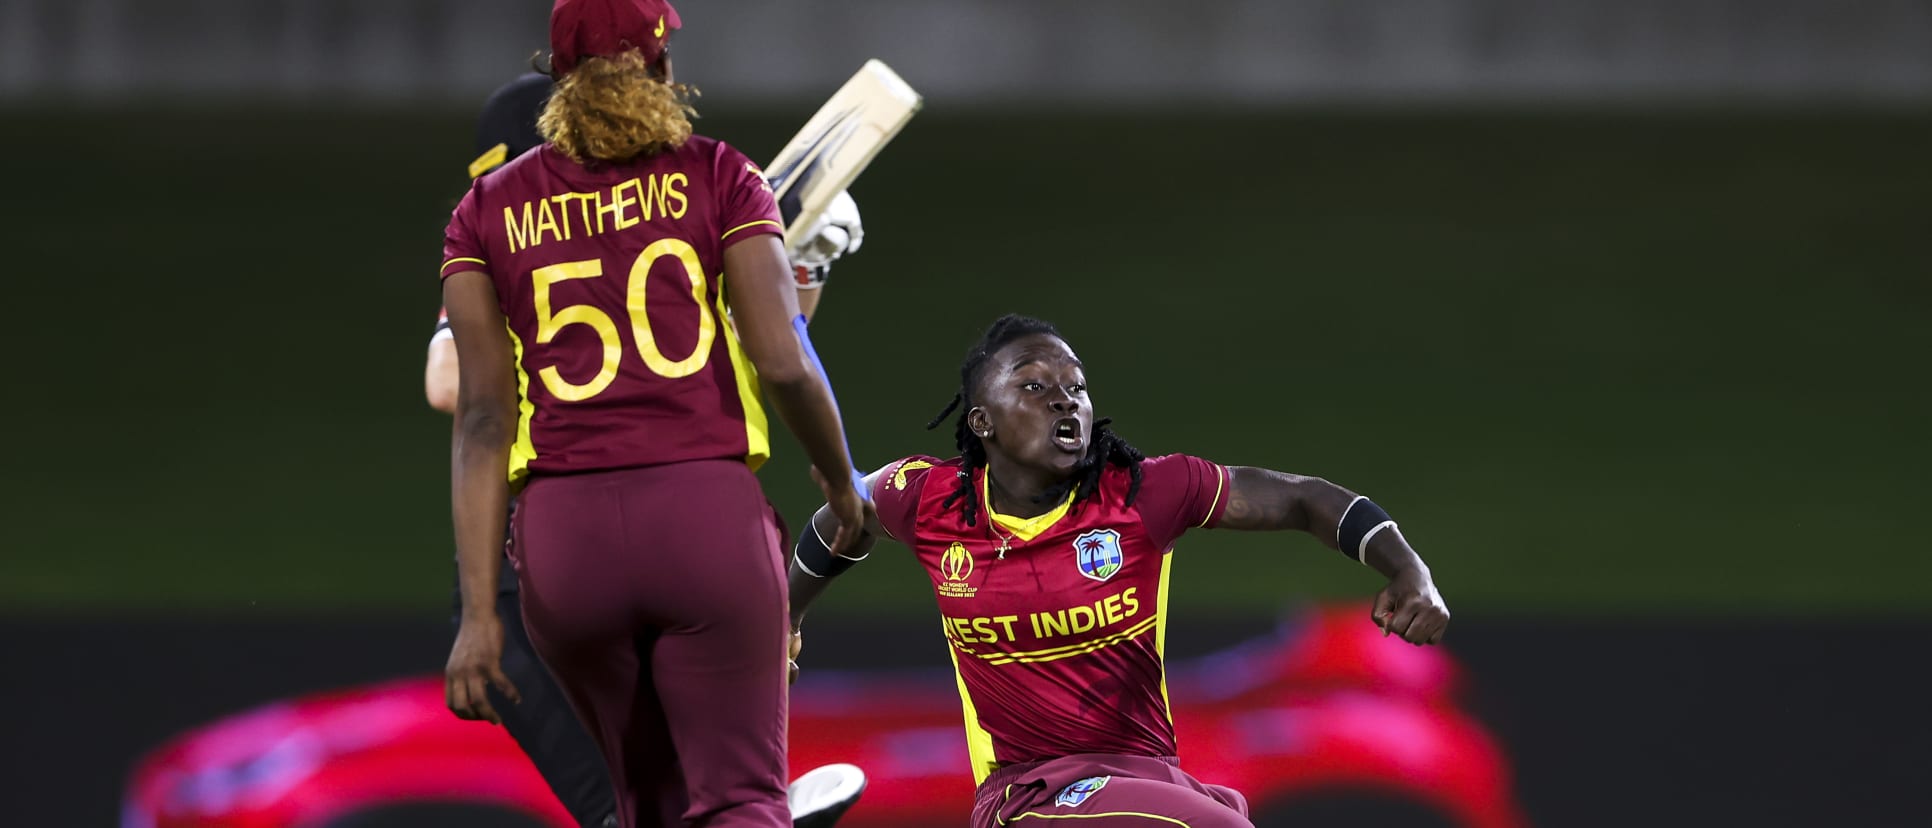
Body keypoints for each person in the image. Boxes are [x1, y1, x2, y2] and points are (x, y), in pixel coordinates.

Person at [437, 2, 872, 826]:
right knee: (741, 796)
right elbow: (781, 359)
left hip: (564, 544)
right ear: (665, 68)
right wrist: (838, 485)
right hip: (702, 517)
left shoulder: (483, 212)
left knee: (647, 809)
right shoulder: (718, 173)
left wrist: (479, 619)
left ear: (556, 78)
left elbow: (484, 420)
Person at [786, 314, 1452, 828]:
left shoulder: (1144, 493)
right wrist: (786, 616)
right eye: (1034, 385)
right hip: (1028, 793)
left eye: (1075, 386)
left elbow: (1304, 498)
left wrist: (1409, 569)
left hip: (1149, 783)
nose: (1065, 400)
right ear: (981, 420)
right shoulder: (930, 500)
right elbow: (844, 514)